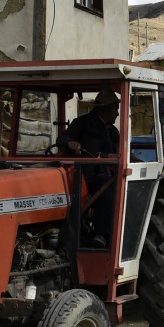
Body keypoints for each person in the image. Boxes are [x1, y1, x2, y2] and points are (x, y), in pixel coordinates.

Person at [57, 90, 120, 247]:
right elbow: (62, 139)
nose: (118, 114)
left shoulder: (113, 131)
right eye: (116, 109)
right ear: (107, 109)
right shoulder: (82, 123)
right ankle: (102, 235)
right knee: (108, 186)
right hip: (86, 175)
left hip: (109, 172)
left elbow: (121, 152)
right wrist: (71, 142)